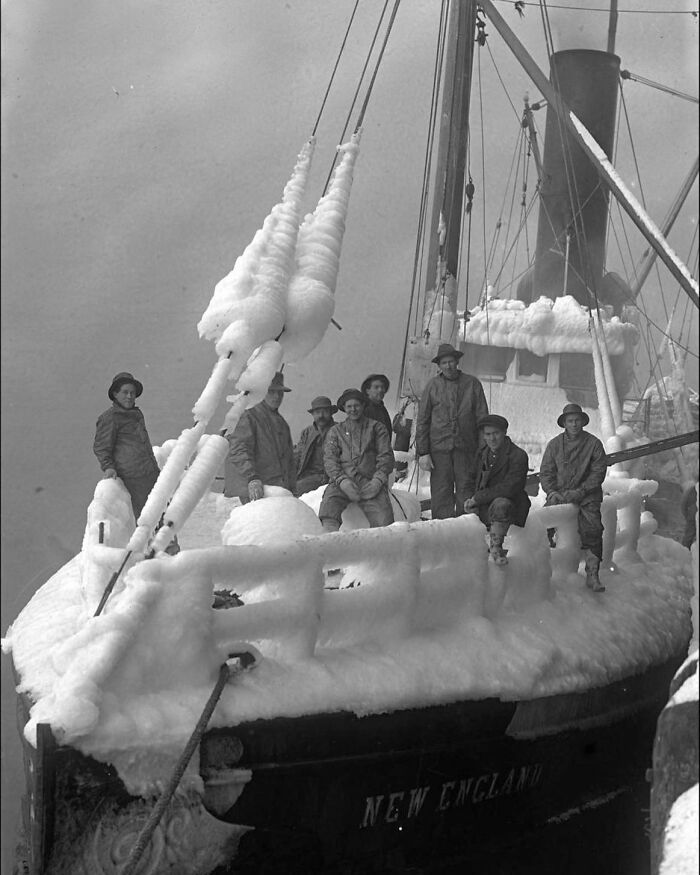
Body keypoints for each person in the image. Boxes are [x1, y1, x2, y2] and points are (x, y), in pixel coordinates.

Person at [415, 342, 488, 519]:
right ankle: (442, 533)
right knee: (441, 492)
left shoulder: (472, 384)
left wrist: (483, 450)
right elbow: (423, 420)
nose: (448, 366)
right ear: (439, 366)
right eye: (444, 363)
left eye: (451, 361)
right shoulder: (432, 386)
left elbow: (482, 419)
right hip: (439, 450)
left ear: (457, 362)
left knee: (466, 490)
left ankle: (466, 530)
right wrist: (423, 452)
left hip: (466, 449)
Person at [540, 403, 607, 592]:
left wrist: (581, 491)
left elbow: (598, 472)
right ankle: (541, 569)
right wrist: (552, 492)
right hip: (560, 493)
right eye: (570, 421)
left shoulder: (594, 444)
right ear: (564, 423)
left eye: (577, 420)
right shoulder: (554, 445)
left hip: (588, 495)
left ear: (583, 422)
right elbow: (546, 472)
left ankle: (593, 573)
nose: (574, 424)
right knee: (543, 523)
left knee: (593, 527)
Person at [318, 388, 395, 532]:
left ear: (363, 406)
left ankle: (378, 551)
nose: (353, 409)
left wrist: (377, 481)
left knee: (384, 521)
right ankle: (329, 545)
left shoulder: (377, 428)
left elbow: (386, 456)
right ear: (344, 408)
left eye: (357, 405)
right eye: (349, 406)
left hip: (370, 482)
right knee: (329, 507)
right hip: (343, 482)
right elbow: (330, 459)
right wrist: (342, 481)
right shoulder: (336, 431)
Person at [464, 415, 531, 566]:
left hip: (510, 506)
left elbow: (510, 487)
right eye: (487, 434)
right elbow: (470, 479)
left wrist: (478, 498)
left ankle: (496, 548)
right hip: (483, 505)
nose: (492, 438)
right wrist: (469, 499)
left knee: (501, 503)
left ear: (505, 432)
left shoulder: (518, 455)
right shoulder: (482, 454)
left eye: (496, 433)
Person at [94, 372, 161, 520]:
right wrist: (108, 467)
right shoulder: (110, 418)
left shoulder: (136, 414)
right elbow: (101, 447)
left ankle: (168, 543)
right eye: (125, 392)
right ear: (115, 394)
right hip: (133, 478)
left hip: (150, 473)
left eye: (132, 393)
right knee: (148, 518)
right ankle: (158, 544)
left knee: (162, 514)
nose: (130, 396)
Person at [224, 371, 296, 501]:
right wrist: (252, 478)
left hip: (277, 492)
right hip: (253, 492)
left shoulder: (281, 422)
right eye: (271, 392)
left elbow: (288, 461)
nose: (277, 396)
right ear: (262, 392)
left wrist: (291, 489)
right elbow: (238, 450)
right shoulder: (248, 416)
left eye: (280, 393)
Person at [294, 396, 338, 496]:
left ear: (331, 413)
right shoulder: (307, 432)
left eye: (325, 412)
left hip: (328, 476)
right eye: (318, 412)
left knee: (294, 491)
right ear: (313, 414)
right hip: (307, 474)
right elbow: (298, 454)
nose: (321, 416)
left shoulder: (339, 430)